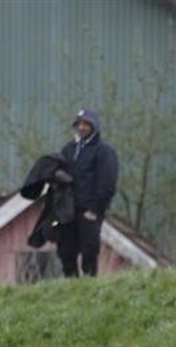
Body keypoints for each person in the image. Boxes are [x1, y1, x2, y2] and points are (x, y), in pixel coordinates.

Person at [57, 108, 118, 277]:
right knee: (66, 251)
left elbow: (108, 183)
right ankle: (71, 284)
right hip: (68, 210)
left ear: (94, 126)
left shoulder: (104, 151)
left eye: (86, 124)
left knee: (89, 252)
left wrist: (95, 210)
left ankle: (89, 284)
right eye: (79, 124)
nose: (81, 127)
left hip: (89, 211)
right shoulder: (69, 149)